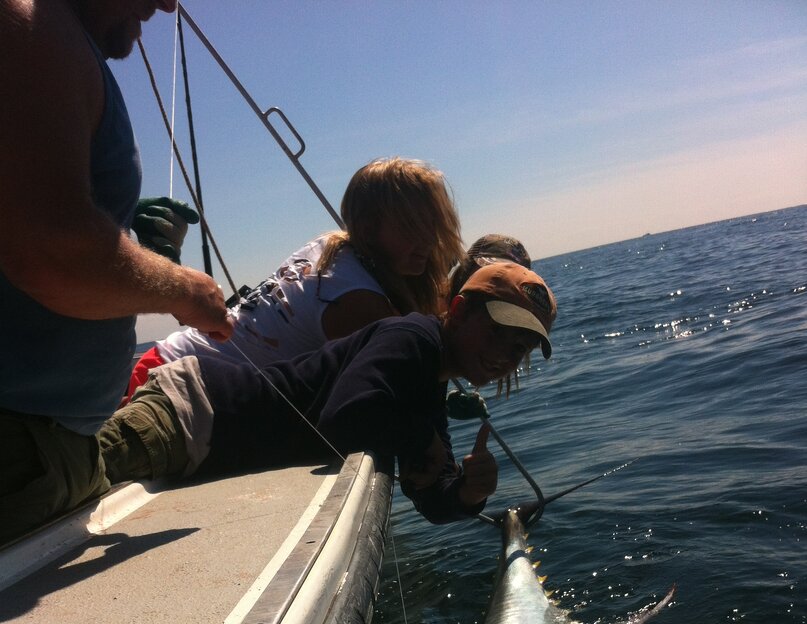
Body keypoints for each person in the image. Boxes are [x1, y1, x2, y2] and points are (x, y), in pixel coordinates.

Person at [0, 0, 232, 545]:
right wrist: (184, 288)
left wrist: (128, 241)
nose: (167, 4)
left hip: (44, 452)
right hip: (21, 457)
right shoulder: (34, 21)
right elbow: (51, 255)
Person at [99, 262, 558, 524]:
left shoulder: (428, 385)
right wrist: (424, 442)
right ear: (458, 310)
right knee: (58, 485)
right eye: (498, 332)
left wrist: (466, 493)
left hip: (200, 444)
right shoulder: (412, 338)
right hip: (188, 413)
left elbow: (429, 495)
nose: (506, 355)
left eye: (520, 348)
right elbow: (345, 417)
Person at [123, 156, 465, 400]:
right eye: (411, 228)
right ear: (368, 227)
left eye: (433, 227)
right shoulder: (358, 303)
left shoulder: (332, 245)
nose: (427, 242)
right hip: (166, 387)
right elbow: (411, 374)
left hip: (161, 363)